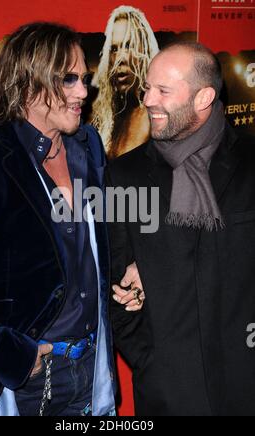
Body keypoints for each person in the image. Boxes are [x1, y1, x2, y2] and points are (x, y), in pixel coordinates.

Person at [0, 22, 143, 417]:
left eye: (84, 78)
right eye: (68, 79)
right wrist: (13, 357)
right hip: (26, 380)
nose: (83, 91)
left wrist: (127, 267)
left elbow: (97, 236)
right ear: (27, 83)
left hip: (93, 365)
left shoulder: (87, 143)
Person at [108, 41, 255, 416]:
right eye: (147, 88)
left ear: (204, 97)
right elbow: (112, 282)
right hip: (168, 391)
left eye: (163, 91)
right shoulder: (124, 176)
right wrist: (149, 360)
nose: (148, 100)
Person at [91, 6, 159, 159]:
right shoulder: (107, 116)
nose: (120, 58)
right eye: (114, 49)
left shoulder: (155, 116)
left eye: (128, 46)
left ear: (145, 50)